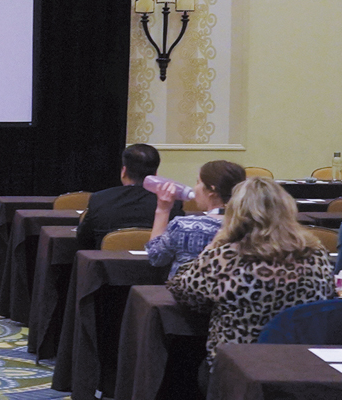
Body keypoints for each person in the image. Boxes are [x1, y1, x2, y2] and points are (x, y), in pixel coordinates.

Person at [168, 177, 334, 373]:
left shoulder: (226, 256)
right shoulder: (316, 253)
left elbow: (183, 291)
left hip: (238, 368)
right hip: (301, 366)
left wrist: (212, 247)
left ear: (235, 212)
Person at [146, 160, 246, 277]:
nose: (194, 188)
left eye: (198, 182)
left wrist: (162, 210)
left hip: (188, 292)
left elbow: (156, 257)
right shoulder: (252, 225)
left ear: (212, 191)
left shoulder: (183, 226)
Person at [76, 143, 182, 250]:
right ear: (155, 174)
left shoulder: (99, 199)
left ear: (124, 171)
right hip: (156, 266)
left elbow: (84, 242)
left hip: (109, 265)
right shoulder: (172, 203)